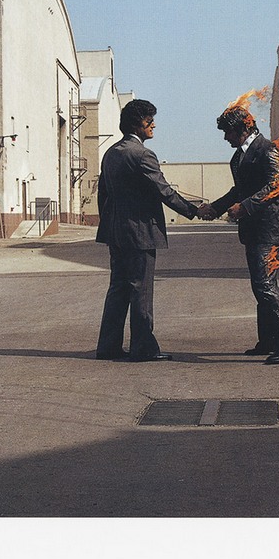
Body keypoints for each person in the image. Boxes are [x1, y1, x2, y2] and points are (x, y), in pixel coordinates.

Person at [95, 99, 199, 362]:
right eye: (149, 120)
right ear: (136, 125)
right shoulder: (142, 155)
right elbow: (163, 191)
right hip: (140, 233)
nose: (153, 125)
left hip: (116, 232)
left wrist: (110, 223)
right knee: (140, 290)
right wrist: (194, 210)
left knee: (118, 288)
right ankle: (143, 349)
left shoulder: (110, 153)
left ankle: (108, 347)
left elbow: (103, 194)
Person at [197, 106, 279, 365]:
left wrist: (245, 207)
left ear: (243, 128)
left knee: (265, 286)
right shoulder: (238, 157)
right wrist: (216, 208)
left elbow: (276, 186)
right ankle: (268, 341)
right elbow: (238, 190)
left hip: (268, 229)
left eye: (228, 132)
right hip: (253, 230)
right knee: (260, 286)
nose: (225, 138)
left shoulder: (267, 150)